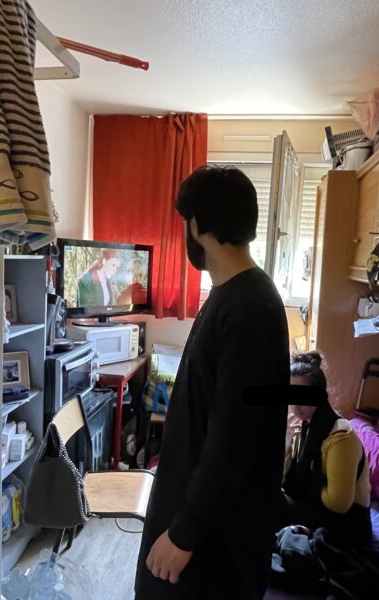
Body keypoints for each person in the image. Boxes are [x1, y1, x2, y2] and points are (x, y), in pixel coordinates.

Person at [135, 165, 290, 599]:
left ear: (198, 226)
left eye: (186, 221)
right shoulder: (232, 294)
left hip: (214, 545)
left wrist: (183, 534)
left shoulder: (251, 309)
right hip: (199, 523)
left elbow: (234, 441)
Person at [281, 351, 373, 546]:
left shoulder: (340, 438)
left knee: (272, 504)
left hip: (349, 524)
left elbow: (339, 504)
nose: (295, 405)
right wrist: (287, 445)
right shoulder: (305, 426)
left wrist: (313, 478)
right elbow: (287, 479)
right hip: (321, 509)